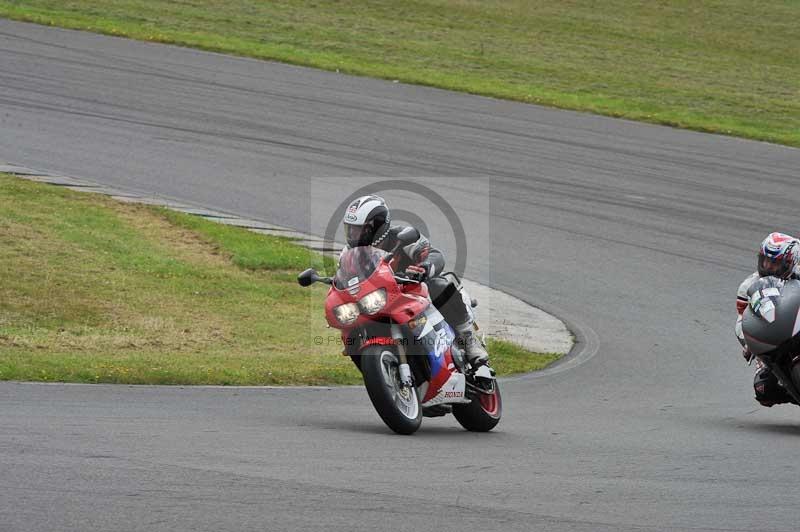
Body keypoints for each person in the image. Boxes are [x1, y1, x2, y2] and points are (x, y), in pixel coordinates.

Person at [342, 194, 490, 367]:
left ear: (378, 227)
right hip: (379, 300)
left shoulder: (402, 237)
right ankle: (378, 369)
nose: (353, 235)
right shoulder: (348, 254)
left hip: (415, 293)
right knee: (349, 322)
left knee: (439, 285)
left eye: (359, 230)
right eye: (350, 229)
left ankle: (469, 340)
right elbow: (344, 279)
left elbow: (435, 255)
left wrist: (425, 268)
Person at [735, 232, 800, 406]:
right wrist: (748, 343)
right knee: (764, 390)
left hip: (797, 324)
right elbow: (742, 319)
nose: (768, 266)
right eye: (765, 261)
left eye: (775, 263)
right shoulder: (748, 286)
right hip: (772, 338)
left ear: (790, 262)